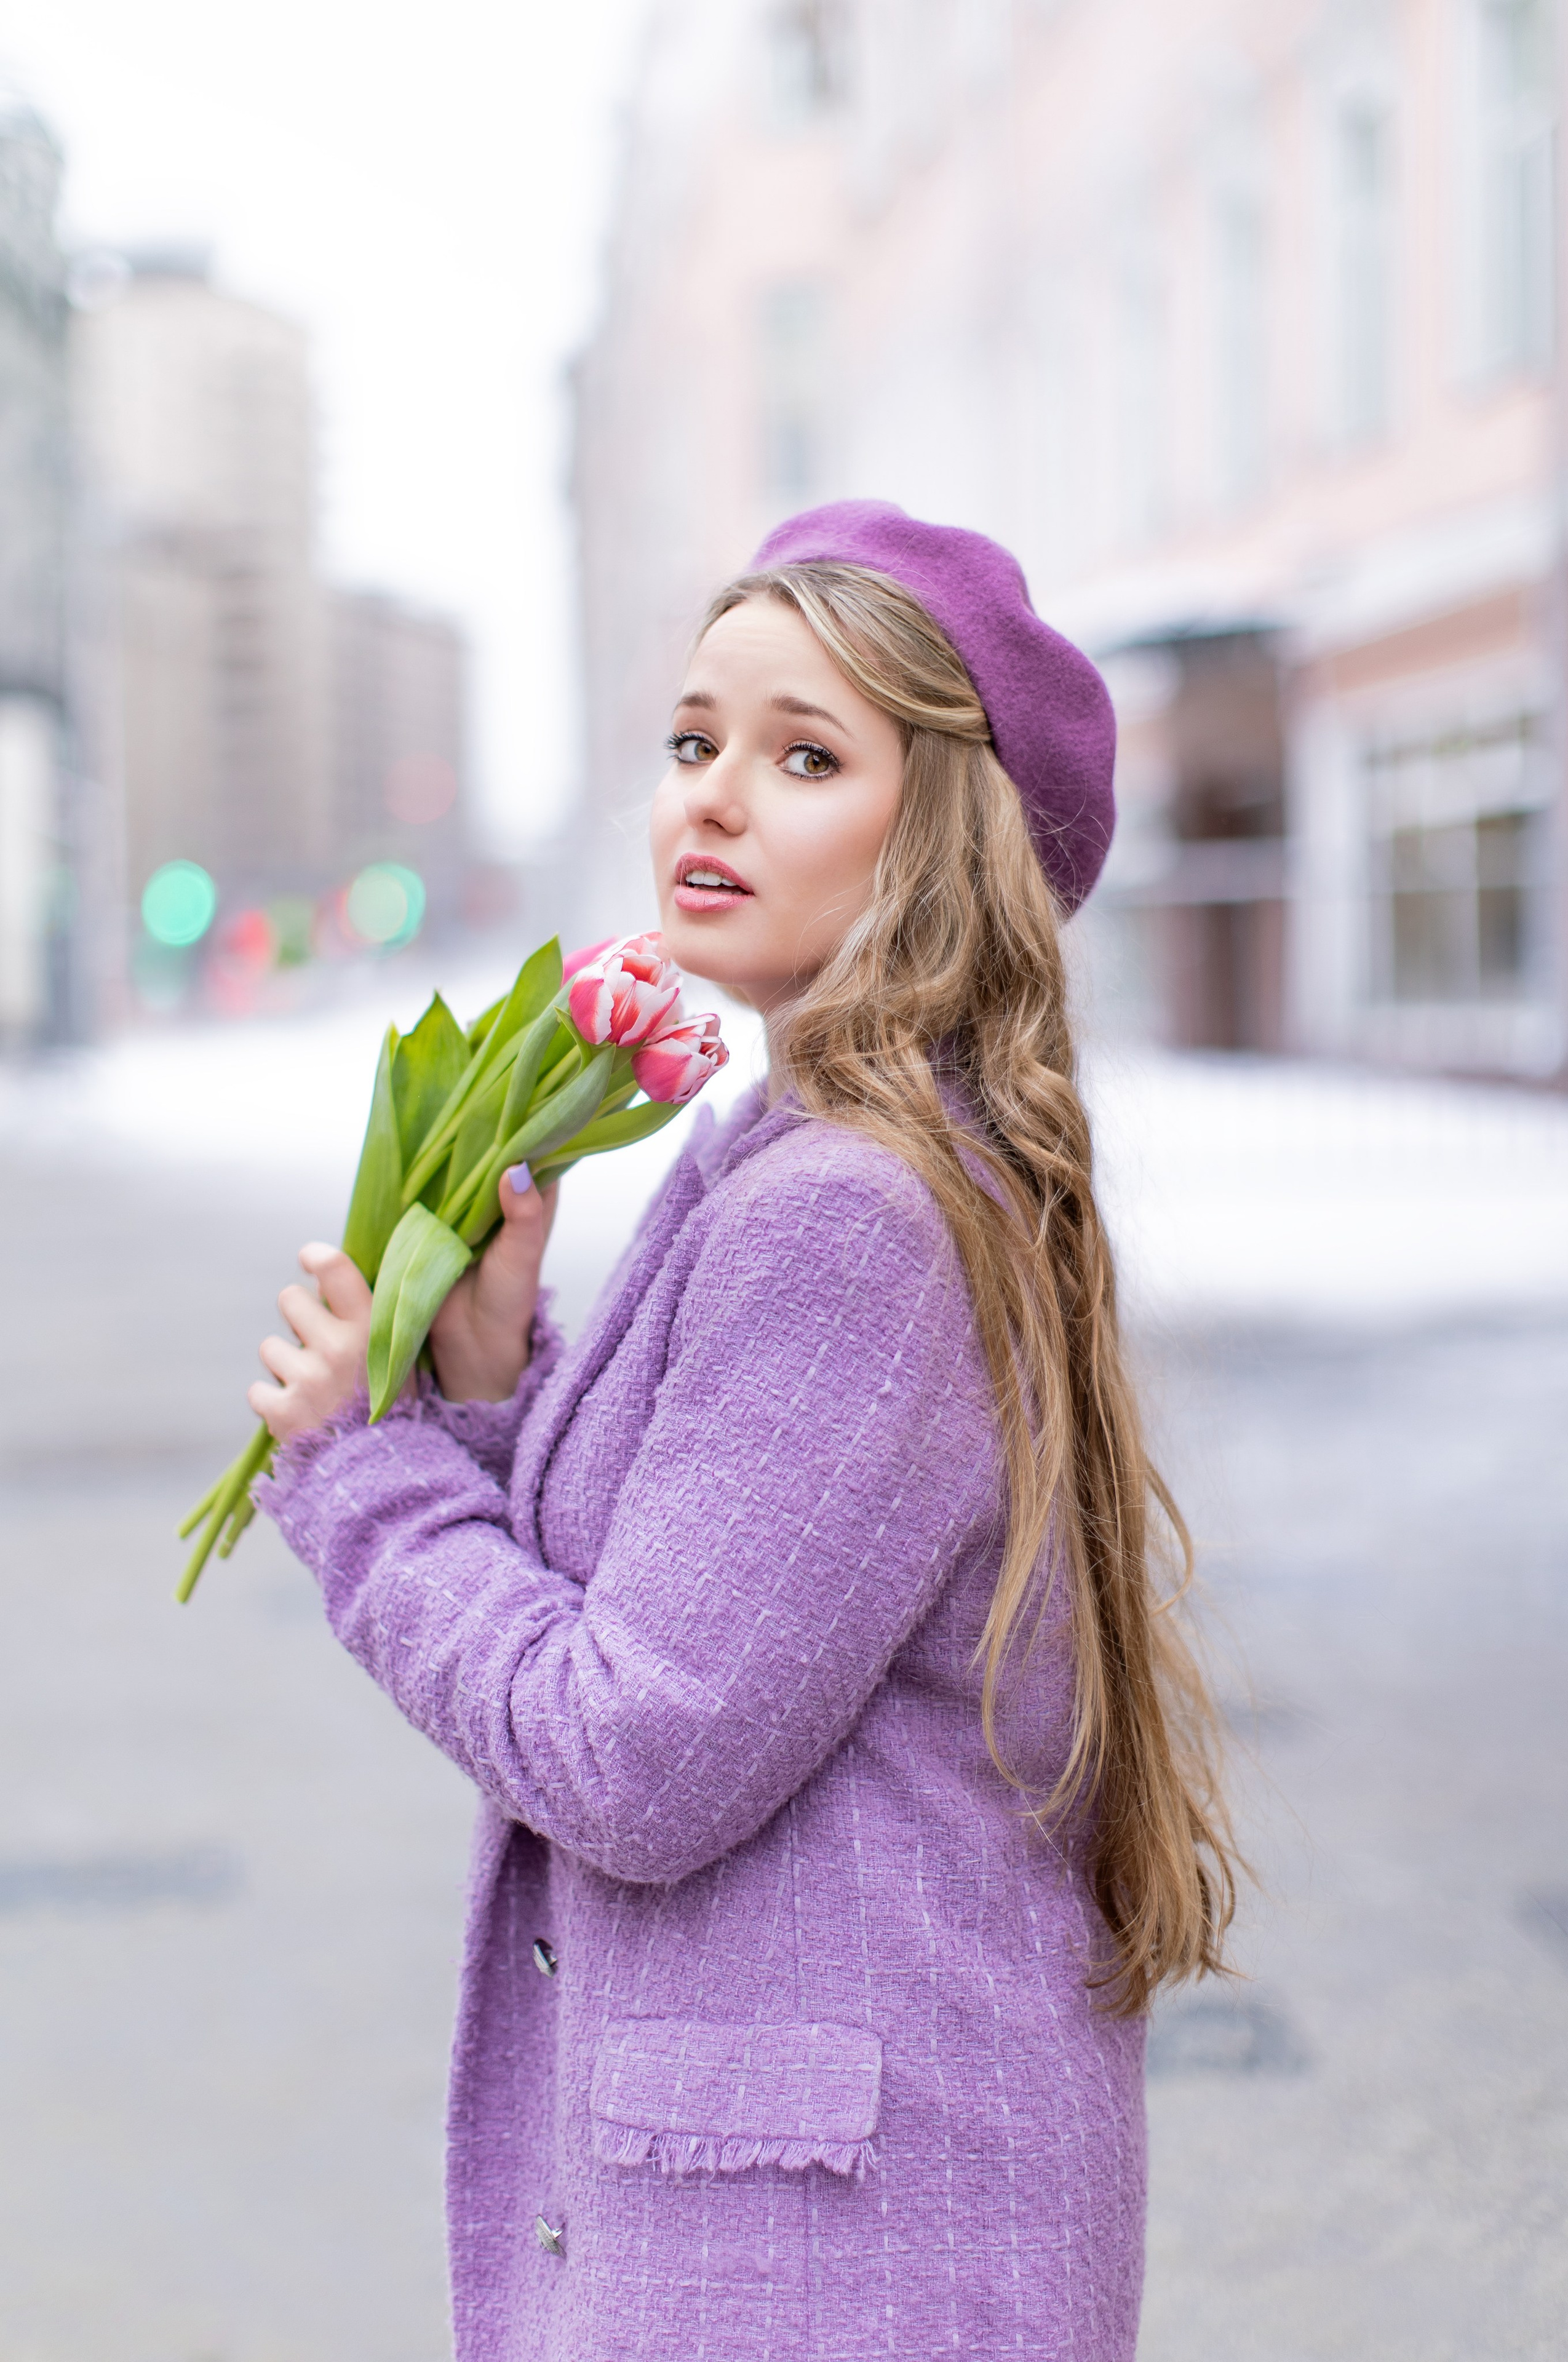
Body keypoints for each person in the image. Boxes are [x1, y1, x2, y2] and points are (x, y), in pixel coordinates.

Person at [250, 499, 1237, 2362]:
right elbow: (726, 1599)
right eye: (698, 739)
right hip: (823, 2241)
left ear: (943, 839)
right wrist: (483, 1398)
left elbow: (641, 1749)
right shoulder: (813, 1163)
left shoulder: (850, 1215)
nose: (710, 798)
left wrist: (362, 1477)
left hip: (827, 2274)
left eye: (804, 757)